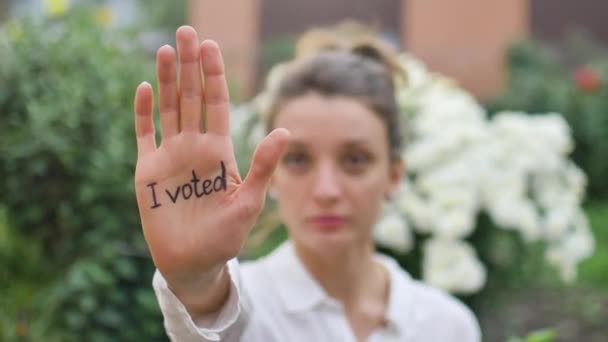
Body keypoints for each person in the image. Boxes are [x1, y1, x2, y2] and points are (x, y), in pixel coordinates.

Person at [133, 24, 481, 342]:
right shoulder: (241, 311)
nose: (326, 190)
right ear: (270, 175)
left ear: (394, 174)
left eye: (355, 160)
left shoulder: (448, 326)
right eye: (298, 160)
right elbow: (214, 322)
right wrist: (196, 279)